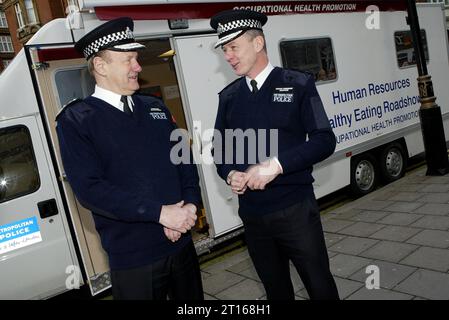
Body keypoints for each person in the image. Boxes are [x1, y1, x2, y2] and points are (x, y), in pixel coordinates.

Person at [56, 17, 203, 300]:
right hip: (135, 259)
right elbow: (90, 190)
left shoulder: (154, 107)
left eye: (136, 58)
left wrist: (189, 208)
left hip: (181, 245)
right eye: (128, 60)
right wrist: (161, 214)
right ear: (100, 66)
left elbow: (184, 160)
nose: (138, 66)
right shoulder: (76, 121)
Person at [210, 9, 339, 300]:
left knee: (319, 285)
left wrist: (276, 166)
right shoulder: (228, 97)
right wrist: (230, 173)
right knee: (275, 291)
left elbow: (324, 140)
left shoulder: (297, 84)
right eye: (224, 50)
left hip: (295, 210)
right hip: (253, 217)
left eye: (233, 47)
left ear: (257, 44)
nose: (228, 56)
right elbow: (220, 149)